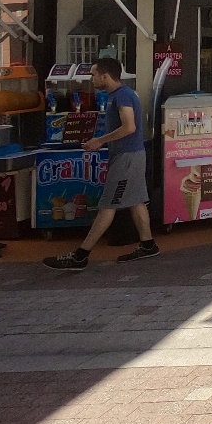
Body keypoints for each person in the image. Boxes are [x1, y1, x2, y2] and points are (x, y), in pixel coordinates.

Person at [44, 58, 158, 270]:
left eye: (94, 74)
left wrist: (100, 140)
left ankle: (80, 255)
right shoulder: (121, 95)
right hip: (131, 155)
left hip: (126, 157)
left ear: (105, 76)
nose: (92, 78)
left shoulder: (122, 95)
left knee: (108, 204)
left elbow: (129, 127)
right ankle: (148, 244)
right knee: (137, 200)